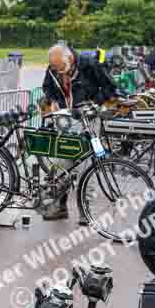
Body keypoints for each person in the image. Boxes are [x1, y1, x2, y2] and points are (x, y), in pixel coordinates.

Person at [40, 44, 119, 222]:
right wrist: (54, 101)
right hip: (66, 121)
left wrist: (93, 103)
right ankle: (60, 205)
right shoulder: (53, 68)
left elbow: (110, 89)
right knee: (62, 163)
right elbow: (47, 87)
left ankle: (85, 208)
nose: (59, 72)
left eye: (61, 68)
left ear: (70, 59)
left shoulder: (91, 64)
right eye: (55, 68)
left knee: (91, 162)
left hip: (89, 120)